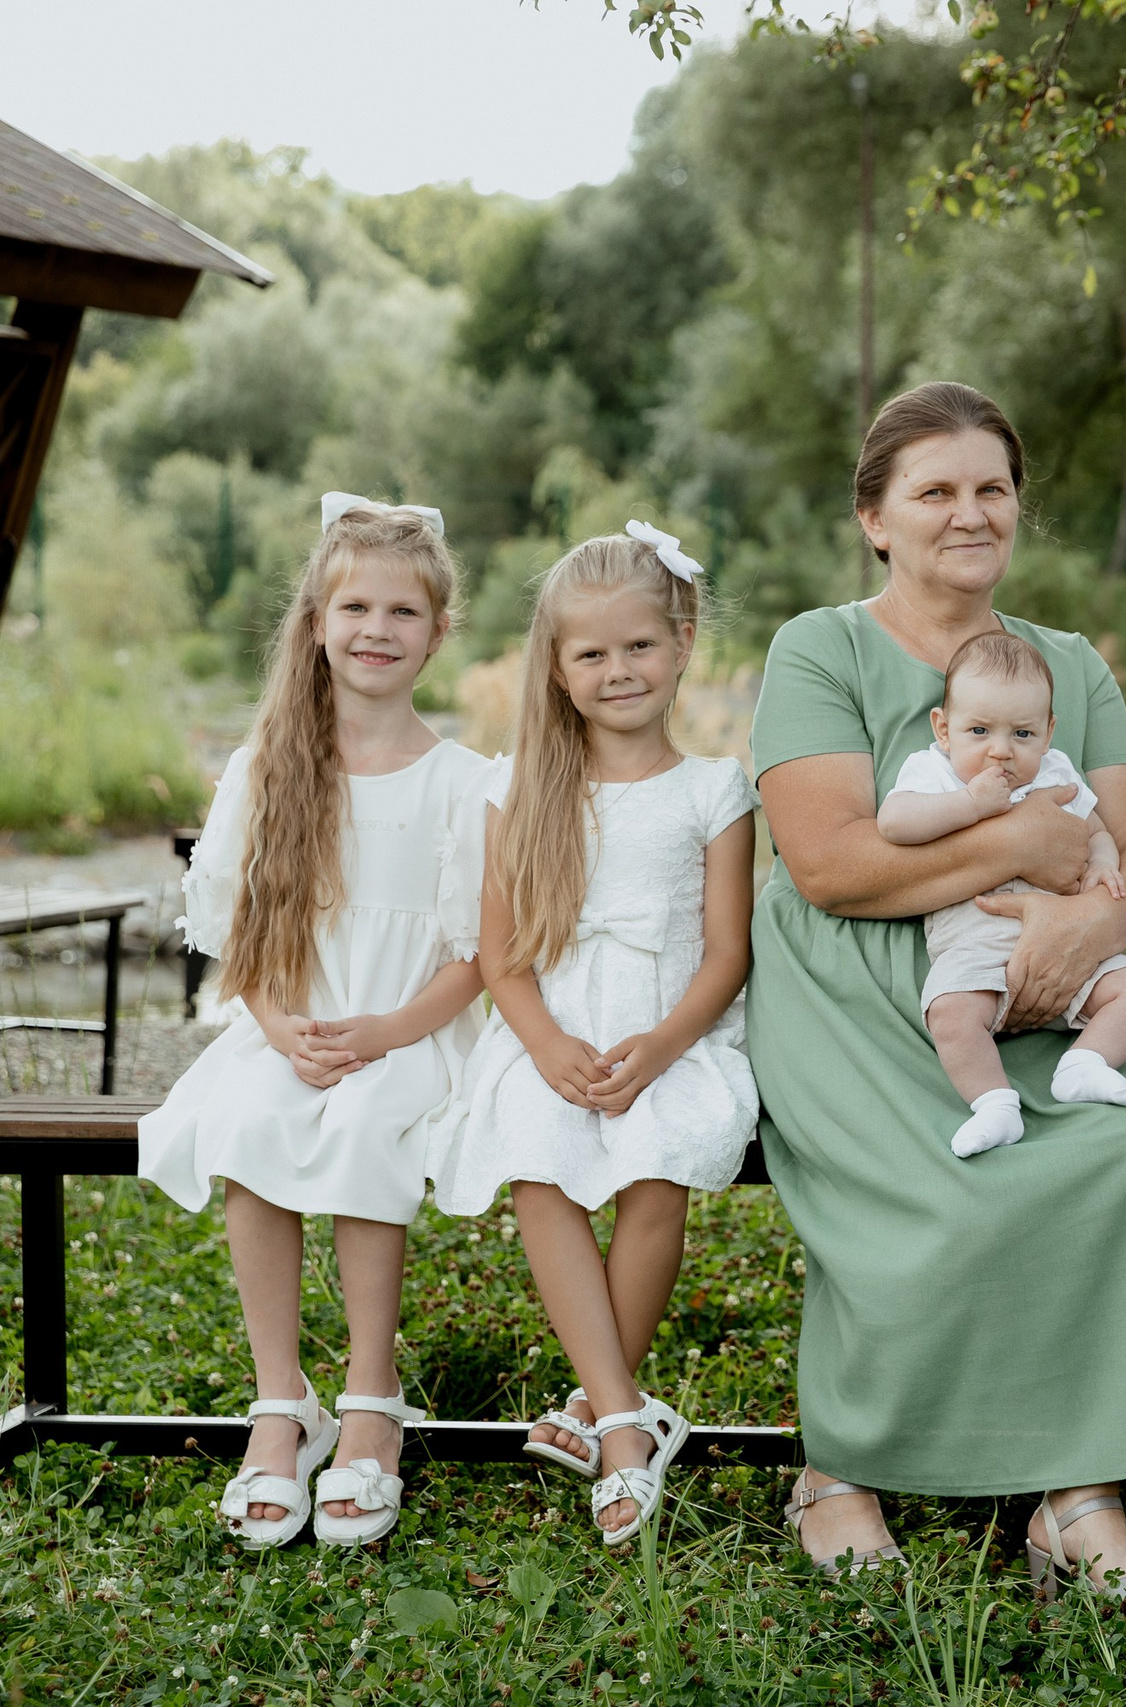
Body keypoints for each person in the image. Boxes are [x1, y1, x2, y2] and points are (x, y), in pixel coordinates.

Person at [748, 381, 1126, 1602]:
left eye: (991, 488)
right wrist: (1022, 845)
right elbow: (830, 865)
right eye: (934, 491)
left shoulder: (1069, 665)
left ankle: (1079, 1497)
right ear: (874, 519)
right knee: (941, 1194)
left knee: (1116, 1155)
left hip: (1042, 976)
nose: (969, 513)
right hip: (855, 985)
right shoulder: (820, 650)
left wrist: (1084, 924)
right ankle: (839, 1470)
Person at [140, 494, 493, 1549]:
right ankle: (281, 1402)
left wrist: (388, 1031)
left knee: (368, 1120)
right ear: (317, 621)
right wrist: (283, 1024)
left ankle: (372, 1398)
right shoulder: (270, 763)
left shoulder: (466, 782)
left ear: (439, 631)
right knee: (250, 1117)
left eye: (402, 611)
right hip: (290, 1022)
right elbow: (237, 930)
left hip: (410, 1028)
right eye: (355, 607)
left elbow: (478, 953)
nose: (377, 629)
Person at [428, 524, 759, 1547]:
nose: (619, 670)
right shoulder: (519, 786)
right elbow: (500, 956)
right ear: (557, 668)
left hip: (674, 1031)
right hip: (552, 1028)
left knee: (657, 1165)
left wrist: (659, 1048)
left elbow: (727, 954)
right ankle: (625, 1420)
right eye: (592, 653)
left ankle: (593, 1404)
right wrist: (544, 1045)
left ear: (683, 641)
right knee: (539, 1159)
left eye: (640, 646)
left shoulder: (714, 789)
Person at [877, 630, 1126, 1158]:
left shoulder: (1056, 774)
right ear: (944, 729)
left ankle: (1085, 1064)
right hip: (975, 947)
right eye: (979, 730)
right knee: (950, 1013)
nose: (1001, 750)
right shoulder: (934, 771)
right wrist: (970, 805)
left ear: (1048, 733)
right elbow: (894, 823)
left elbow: (1096, 829)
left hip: (1066, 946)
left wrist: (1102, 863)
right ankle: (994, 1105)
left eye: (1022, 733)